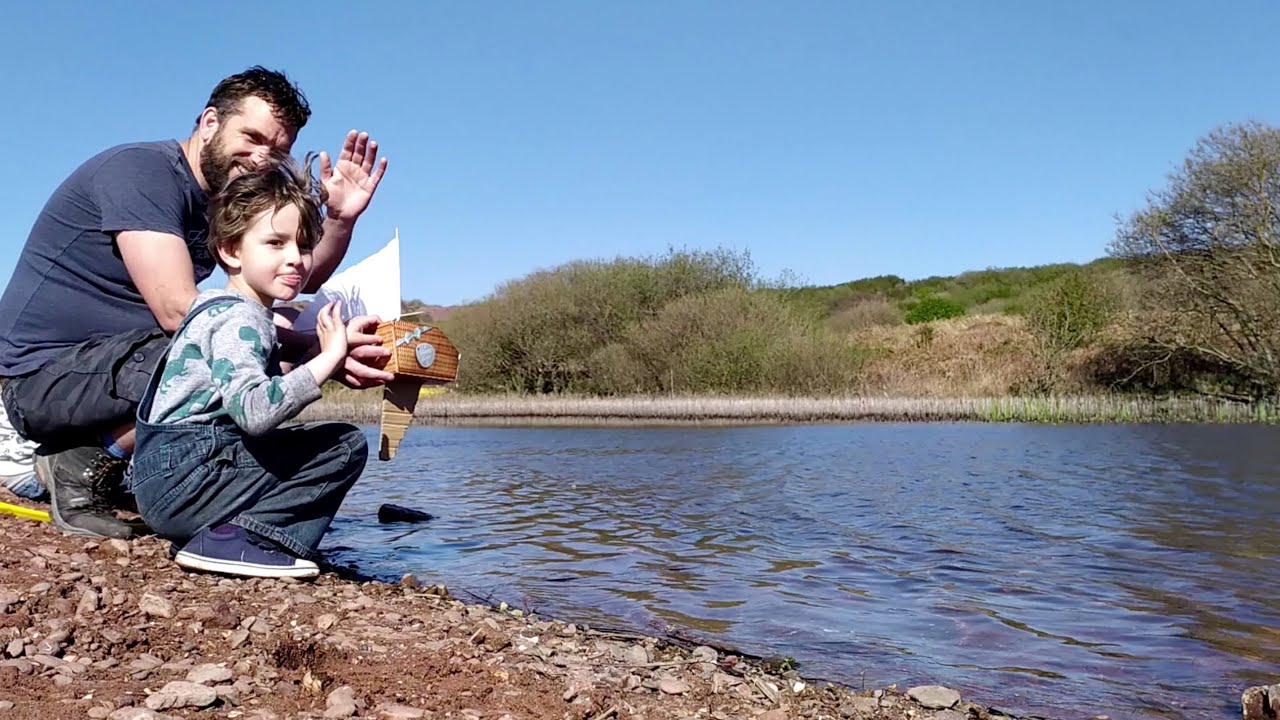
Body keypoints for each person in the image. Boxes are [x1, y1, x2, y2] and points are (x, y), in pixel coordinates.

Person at [0, 66, 395, 539]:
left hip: (114, 369)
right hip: (39, 381)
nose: (261, 159)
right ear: (210, 123)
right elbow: (178, 310)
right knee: (239, 342)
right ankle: (82, 460)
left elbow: (284, 277)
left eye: (279, 150)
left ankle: (161, 473)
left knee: (267, 324)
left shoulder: (222, 200)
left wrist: (340, 220)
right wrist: (322, 350)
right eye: (251, 136)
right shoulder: (141, 173)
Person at [129, 153, 366, 578]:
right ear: (230, 250)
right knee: (345, 446)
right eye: (276, 243)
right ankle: (242, 540)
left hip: (164, 479)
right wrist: (330, 357)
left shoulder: (215, 309)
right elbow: (255, 413)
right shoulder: (241, 318)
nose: (296, 258)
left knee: (294, 443)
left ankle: (224, 532)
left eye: (304, 244)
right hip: (188, 477)